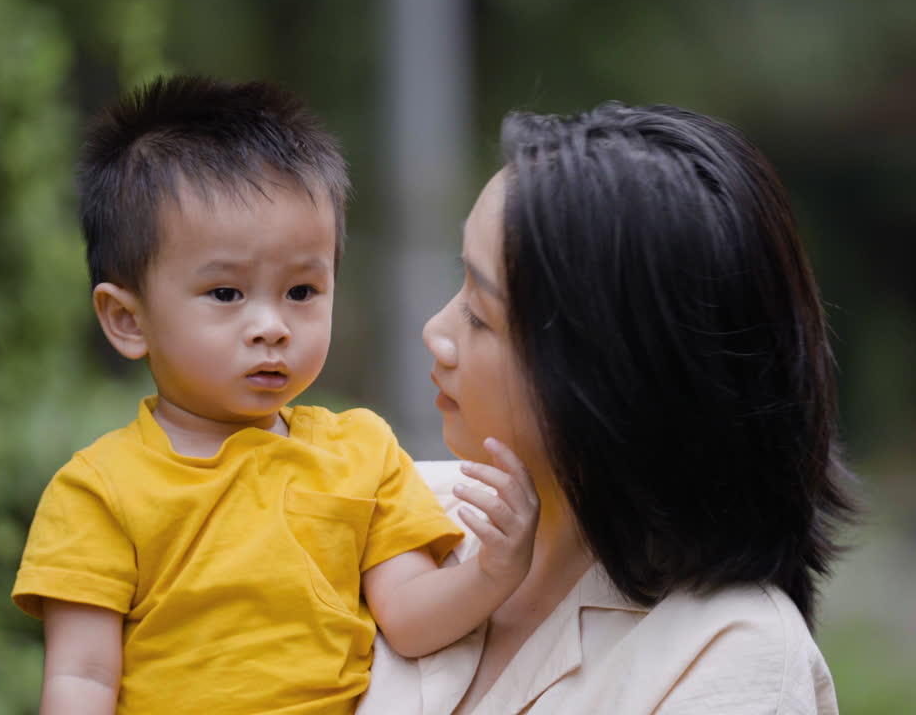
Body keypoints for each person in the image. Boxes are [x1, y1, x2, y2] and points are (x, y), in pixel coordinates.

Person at [11, 75, 539, 715]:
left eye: (301, 292)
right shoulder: (99, 493)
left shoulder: (361, 454)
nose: (272, 326)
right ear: (128, 319)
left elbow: (408, 617)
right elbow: (82, 679)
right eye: (226, 294)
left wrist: (493, 572)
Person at [360, 102, 857, 714]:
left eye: (480, 315)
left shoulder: (728, 657)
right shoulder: (396, 514)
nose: (436, 332)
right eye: (460, 282)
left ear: (612, 375)